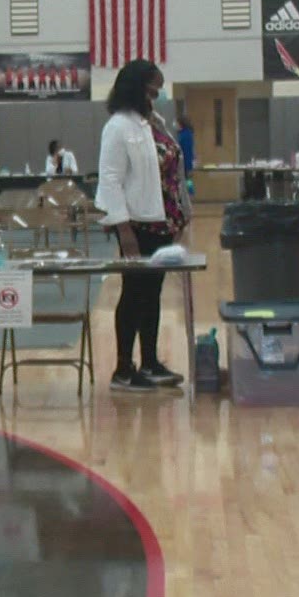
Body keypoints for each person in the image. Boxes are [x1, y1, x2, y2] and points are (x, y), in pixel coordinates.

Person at [95, 59, 192, 393]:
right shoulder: (118, 126)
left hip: (163, 223)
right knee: (134, 295)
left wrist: (181, 214)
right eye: (153, 85)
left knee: (152, 295)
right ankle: (123, 369)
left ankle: (149, 362)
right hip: (137, 227)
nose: (158, 91)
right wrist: (124, 231)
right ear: (137, 86)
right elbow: (110, 180)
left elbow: (172, 170)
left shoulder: (153, 122)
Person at [176, 116, 197, 196]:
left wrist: (188, 167)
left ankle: (190, 195)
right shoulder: (184, 134)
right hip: (184, 163)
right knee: (188, 181)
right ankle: (189, 194)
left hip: (185, 163)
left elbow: (187, 152)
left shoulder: (186, 135)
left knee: (188, 182)